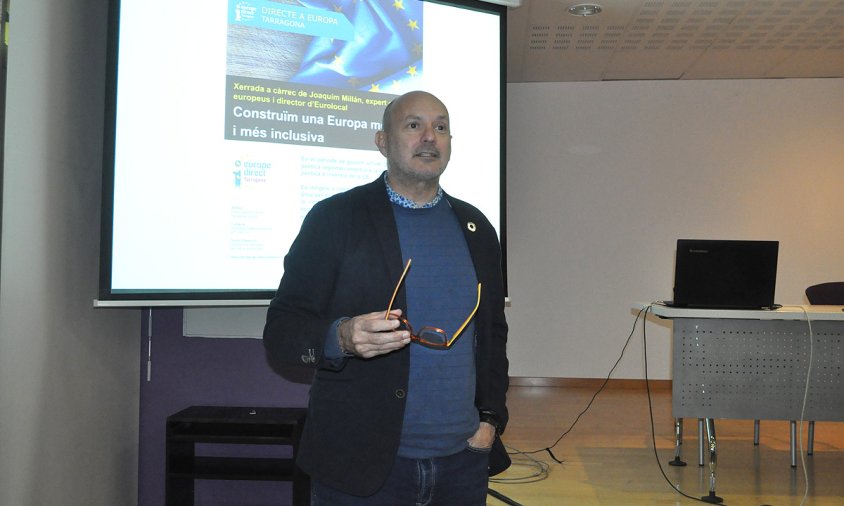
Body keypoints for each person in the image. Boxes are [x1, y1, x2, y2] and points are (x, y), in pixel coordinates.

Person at [263, 90, 509, 505]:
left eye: (441, 127)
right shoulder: (334, 218)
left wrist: (490, 420)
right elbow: (283, 331)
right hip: (362, 465)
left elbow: (493, 336)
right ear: (382, 141)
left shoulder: (477, 227)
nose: (430, 137)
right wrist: (340, 338)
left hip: (462, 463)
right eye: (414, 125)